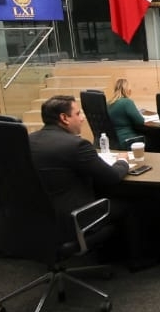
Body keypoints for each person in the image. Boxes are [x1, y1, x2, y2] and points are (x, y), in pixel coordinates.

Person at [28, 95, 151, 269]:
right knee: (132, 204)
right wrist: (122, 161)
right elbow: (112, 177)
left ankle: (106, 254)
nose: (82, 118)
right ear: (64, 118)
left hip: (37, 219)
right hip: (74, 219)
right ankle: (138, 261)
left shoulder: (29, 141)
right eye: (78, 113)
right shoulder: (76, 145)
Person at [108, 78, 149, 149]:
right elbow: (140, 121)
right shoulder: (127, 102)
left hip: (113, 141)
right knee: (155, 139)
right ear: (127, 90)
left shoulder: (108, 103)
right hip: (128, 140)